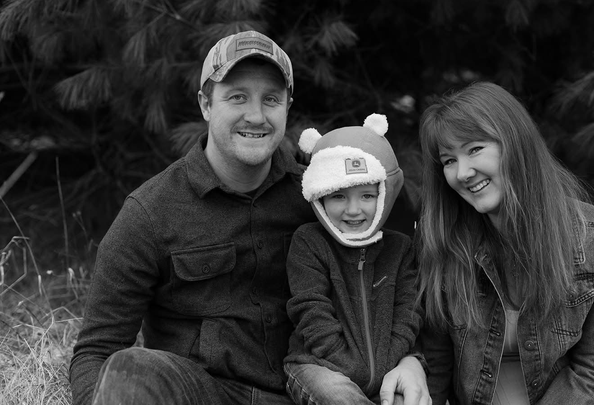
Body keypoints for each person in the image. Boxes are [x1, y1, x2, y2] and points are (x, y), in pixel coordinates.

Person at [70, 30, 429, 405]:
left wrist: (411, 360)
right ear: (206, 104)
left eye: (271, 99)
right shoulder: (151, 212)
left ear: (287, 107)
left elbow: (381, 285)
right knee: (131, 367)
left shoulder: (323, 198)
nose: (256, 116)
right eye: (237, 97)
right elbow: (96, 350)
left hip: (305, 390)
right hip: (204, 393)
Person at [415, 81, 594, 405]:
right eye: (448, 160)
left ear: (515, 142)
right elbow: (437, 363)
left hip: (570, 393)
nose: (462, 173)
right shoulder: (445, 241)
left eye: (474, 149)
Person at [283, 114, 423, 405]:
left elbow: (408, 312)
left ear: (383, 195)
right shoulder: (309, 242)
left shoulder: (399, 249)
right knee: (338, 394)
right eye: (338, 197)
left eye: (367, 196)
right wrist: (353, 368)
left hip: (387, 367)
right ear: (320, 197)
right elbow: (310, 311)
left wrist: (388, 364)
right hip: (317, 366)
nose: (354, 210)